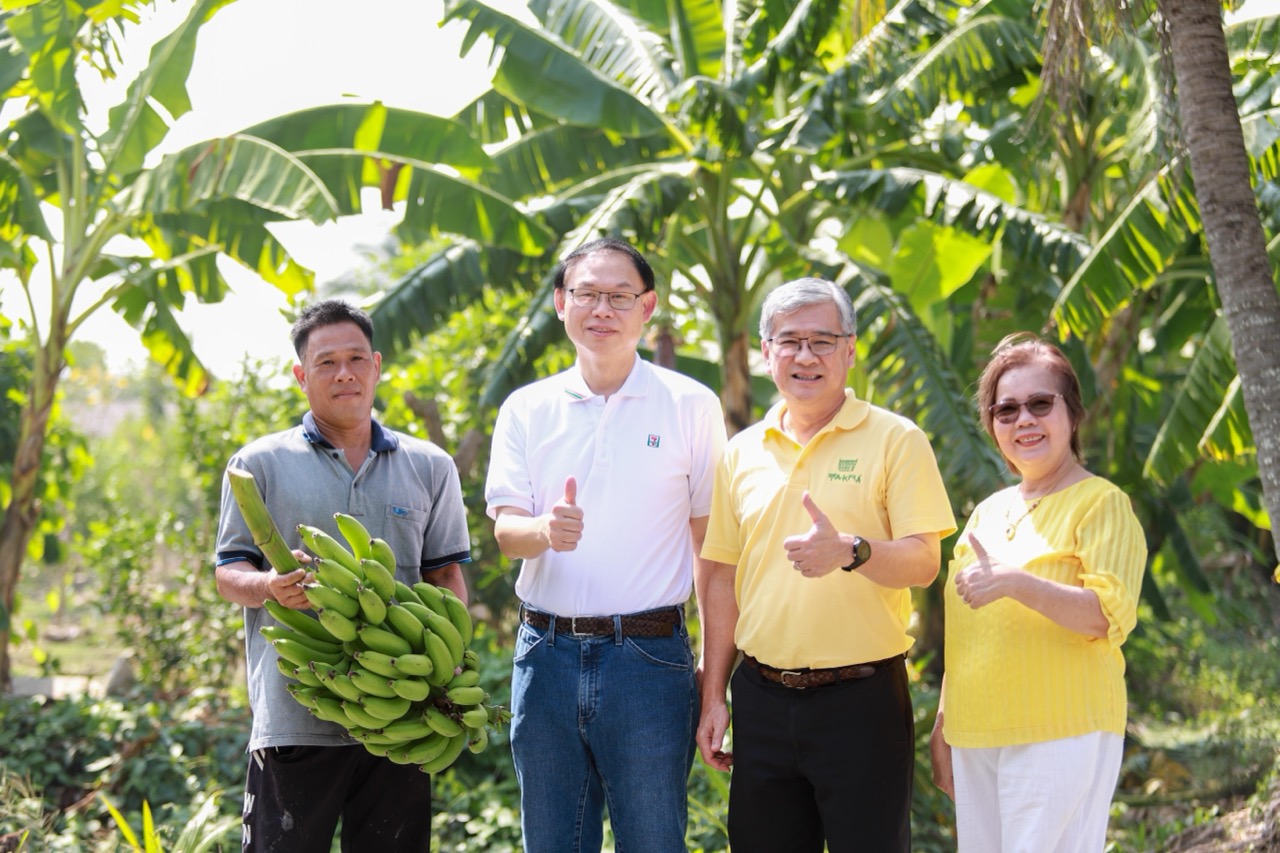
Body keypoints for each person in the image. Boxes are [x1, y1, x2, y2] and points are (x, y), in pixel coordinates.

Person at [483, 237, 727, 852]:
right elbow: (506, 532)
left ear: (647, 306)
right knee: (552, 844)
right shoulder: (526, 408)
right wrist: (545, 531)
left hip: (649, 659)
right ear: (560, 303)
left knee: (654, 842)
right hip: (545, 657)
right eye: (587, 294)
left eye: (619, 296)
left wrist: (714, 682)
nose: (602, 309)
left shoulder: (691, 405)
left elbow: (713, 554)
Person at [696, 277, 956, 852]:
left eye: (822, 341)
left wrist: (851, 551)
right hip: (761, 698)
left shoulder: (897, 439)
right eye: (790, 341)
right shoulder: (741, 452)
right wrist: (713, 695)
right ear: (766, 353)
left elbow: (924, 562)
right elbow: (722, 578)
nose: (806, 356)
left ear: (850, 349)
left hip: (861, 700)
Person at [214, 299, 471, 852]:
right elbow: (228, 572)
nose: (344, 373)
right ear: (301, 376)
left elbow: (446, 575)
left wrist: (445, 667)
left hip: (400, 712)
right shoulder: (258, 464)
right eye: (326, 363)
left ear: (376, 366)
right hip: (296, 712)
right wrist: (268, 587)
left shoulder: (430, 466)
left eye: (356, 359)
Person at [929, 332, 1146, 852]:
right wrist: (944, 723)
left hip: (1061, 728)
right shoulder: (987, 512)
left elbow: (1106, 615)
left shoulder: (1102, 503)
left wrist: (1016, 582)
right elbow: (965, 633)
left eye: (1040, 404)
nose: (1023, 419)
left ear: (1072, 412)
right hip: (977, 733)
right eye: (1006, 410)